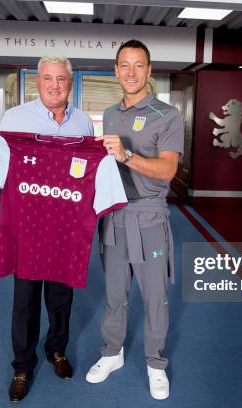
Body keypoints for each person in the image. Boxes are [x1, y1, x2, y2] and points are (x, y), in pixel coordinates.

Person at [0, 55, 93, 402]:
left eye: (61, 79)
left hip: (65, 228)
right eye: (47, 79)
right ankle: (22, 366)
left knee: (61, 297)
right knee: (24, 301)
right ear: (37, 82)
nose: (54, 85)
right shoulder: (14, 119)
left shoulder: (84, 122)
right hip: (28, 227)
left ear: (70, 84)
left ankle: (57, 350)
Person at [86, 39, 184, 400]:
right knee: (114, 294)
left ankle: (155, 363)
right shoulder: (110, 114)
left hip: (149, 216)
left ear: (149, 70)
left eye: (138, 65)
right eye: (124, 65)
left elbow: (168, 169)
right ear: (115, 71)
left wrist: (126, 155)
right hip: (114, 216)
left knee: (155, 297)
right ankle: (112, 353)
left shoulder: (167, 115)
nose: (130, 72)